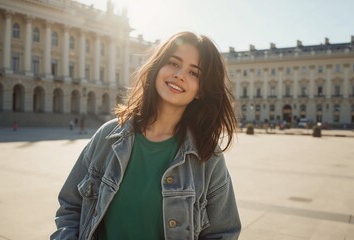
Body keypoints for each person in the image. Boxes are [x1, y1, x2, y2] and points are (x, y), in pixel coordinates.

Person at [51, 32, 241, 240]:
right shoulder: (109, 135)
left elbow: (223, 233)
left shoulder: (207, 155)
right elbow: (70, 205)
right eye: (173, 63)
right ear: (158, 67)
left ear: (201, 91)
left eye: (194, 73)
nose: (179, 74)